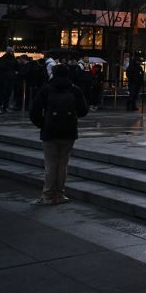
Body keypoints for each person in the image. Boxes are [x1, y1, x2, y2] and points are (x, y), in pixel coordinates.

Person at [28, 63, 89, 205]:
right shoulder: (75, 90)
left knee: (50, 164)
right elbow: (83, 111)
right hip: (69, 132)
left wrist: (43, 123)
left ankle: (48, 196)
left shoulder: (46, 89)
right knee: (63, 164)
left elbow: (34, 111)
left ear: (53, 73)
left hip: (50, 131)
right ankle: (60, 194)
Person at [0, 47, 18, 114]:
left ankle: (4, 107)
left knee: (7, 93)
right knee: (2, 93)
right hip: (4, 78)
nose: (12, 53)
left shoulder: (11, 59)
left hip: (9, 78)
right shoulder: (3, 59)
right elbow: (1, 67)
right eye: (11, 51)